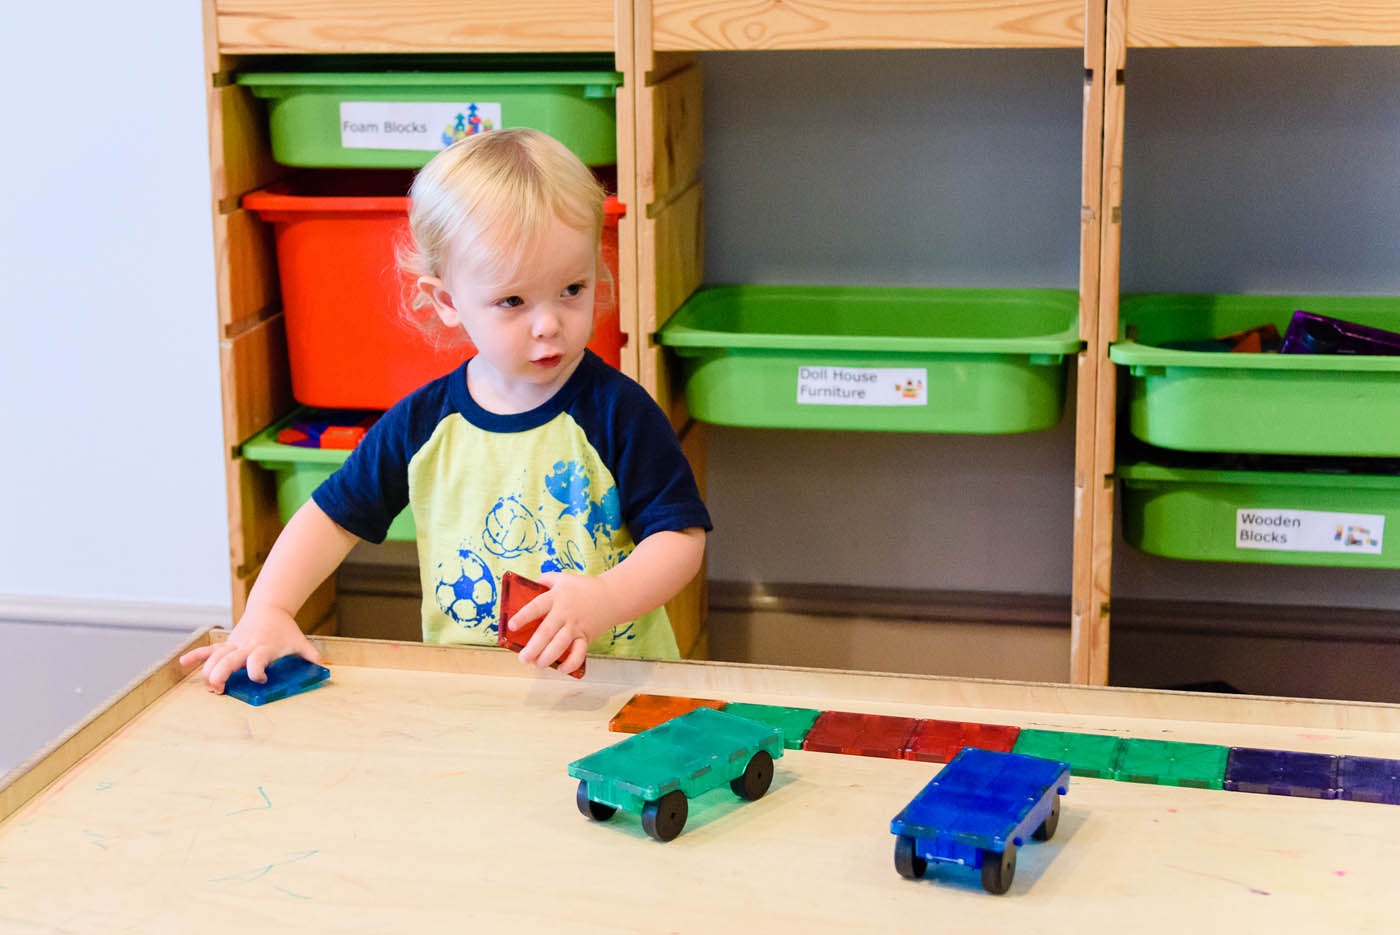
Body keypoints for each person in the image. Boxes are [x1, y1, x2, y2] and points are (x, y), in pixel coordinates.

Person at [182, 127, 711, 688]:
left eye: (572, 289)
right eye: (513, 301)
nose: (549, 323)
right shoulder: (423, 424)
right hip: (470, 689)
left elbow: (680, 539)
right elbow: (330, 517)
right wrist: (270, 609)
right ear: (447, 301)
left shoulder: (618, 411)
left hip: (616, 686)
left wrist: (607, 597)